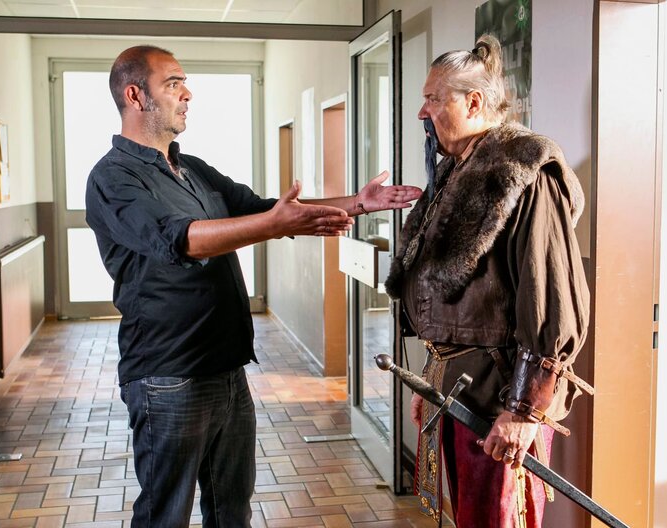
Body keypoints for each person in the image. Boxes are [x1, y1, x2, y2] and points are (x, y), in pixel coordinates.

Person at [85, 45, 422, 528]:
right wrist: (272, 225)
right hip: (167, 377)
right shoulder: (111, 178)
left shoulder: (192, 168)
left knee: (231, 510)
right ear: (135, 95)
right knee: (166, 515)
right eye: (173, 83)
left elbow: (261, 209)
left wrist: (360, 203)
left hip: (227, 368)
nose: (188, 94)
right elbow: (182, 240)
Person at [384, 35, 590, 528]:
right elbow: (459, 306)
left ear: (473, 102)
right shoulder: (459, 168)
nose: (422, 112)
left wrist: (524, 409)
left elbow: (552, 302)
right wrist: (432, 381)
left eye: (433, 99)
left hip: (501, 397)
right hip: (461, 391)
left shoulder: (524, 172)